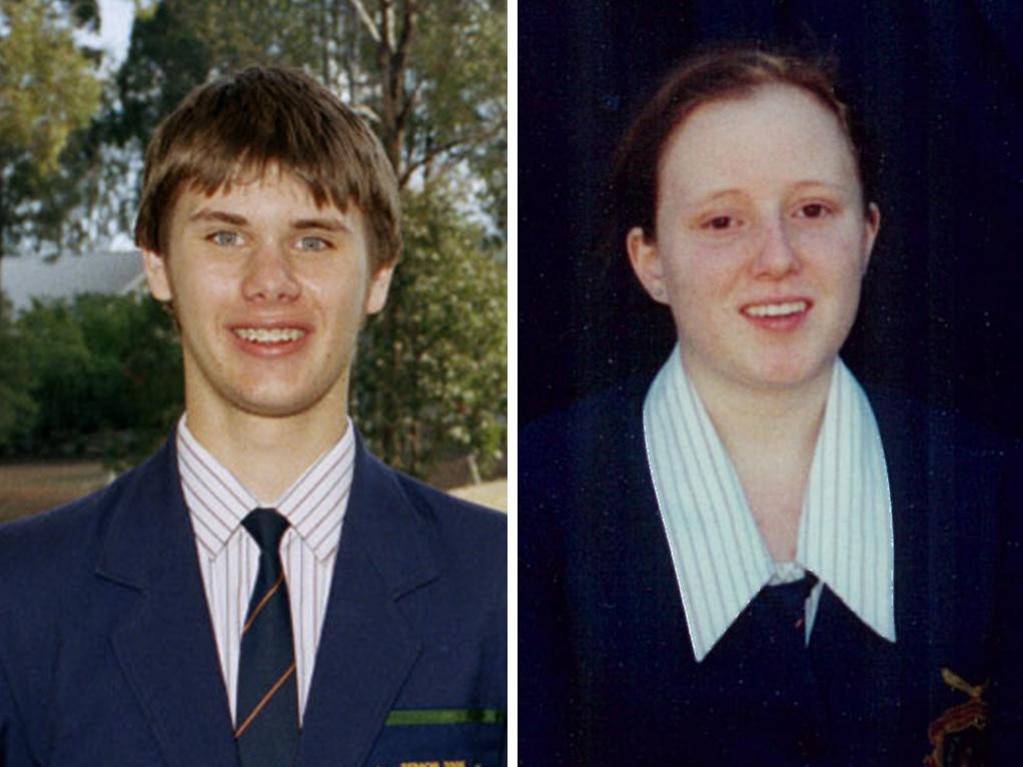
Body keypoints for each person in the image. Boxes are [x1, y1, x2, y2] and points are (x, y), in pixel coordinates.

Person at [520, 47, 1019, 766]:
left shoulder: (994, 492)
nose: (777, 257)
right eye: (722, 221)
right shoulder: (533, 518)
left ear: (867, 234)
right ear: (649, 260)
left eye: (812, 209)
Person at [0, 67, 506, 767]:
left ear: (379, 275)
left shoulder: (503, 581)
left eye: (313, 240)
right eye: (225, 237)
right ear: (156, 263)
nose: (270, 281)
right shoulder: (22, 594)